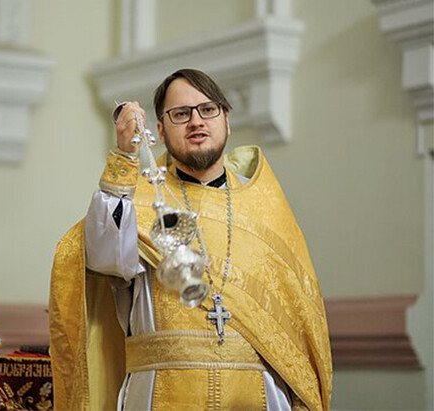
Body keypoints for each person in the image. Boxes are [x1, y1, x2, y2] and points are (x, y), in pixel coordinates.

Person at [49, 69, 332, 410]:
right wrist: (124, 159)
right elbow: (105, 256)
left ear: (226, 120)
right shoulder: (142, 198)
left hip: (256, 393)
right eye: (181, 114)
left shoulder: (264, 205)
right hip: (159, 390)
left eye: (208, 109)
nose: (196, 121)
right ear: (161, 131)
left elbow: (297, 319)